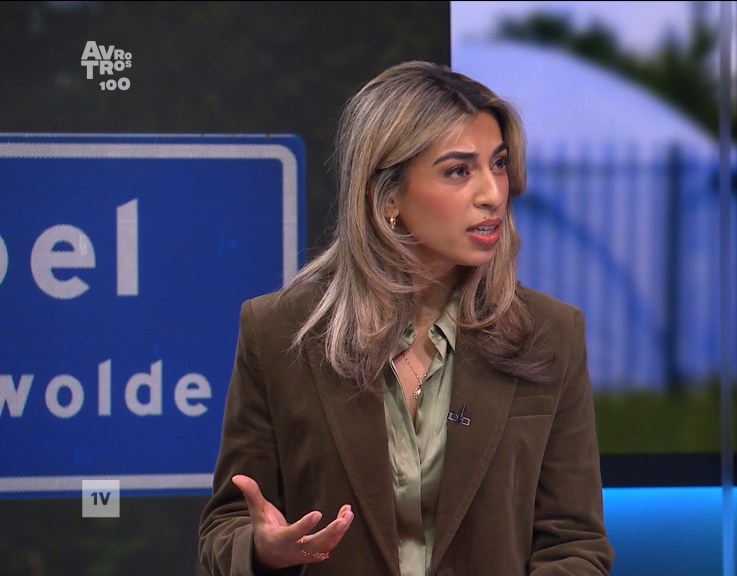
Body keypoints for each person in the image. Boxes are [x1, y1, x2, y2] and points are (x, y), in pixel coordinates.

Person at [198, 60, 613, 576]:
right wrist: (263, 550)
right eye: (459, 170)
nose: (493, 194)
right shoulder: (279, 332)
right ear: (388, 194)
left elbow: (575, 545)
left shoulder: (549, 335)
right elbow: (224, 531)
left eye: (499, 165)